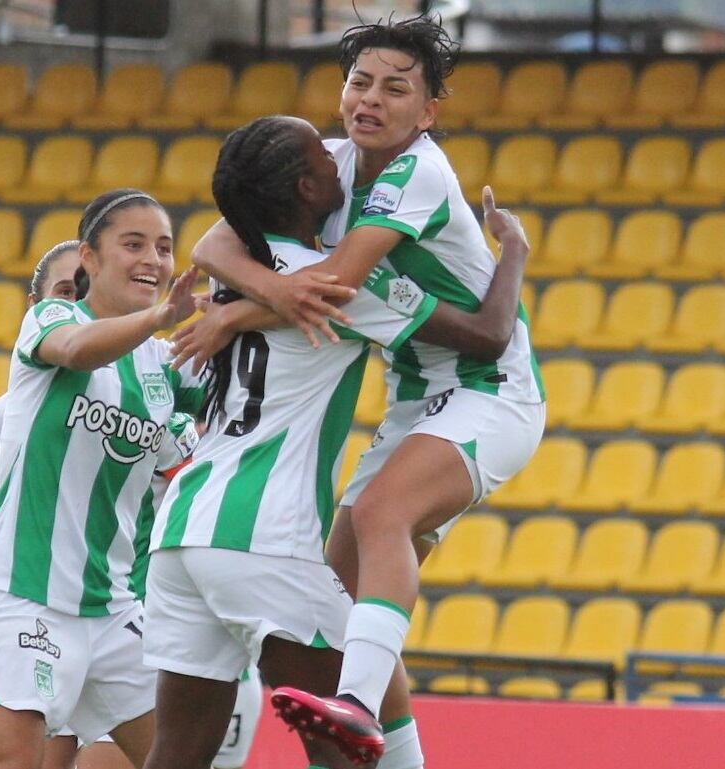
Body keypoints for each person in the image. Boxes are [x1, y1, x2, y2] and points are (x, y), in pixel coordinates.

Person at [191, 16, 544, 766]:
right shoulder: (330, 163)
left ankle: (353, 704)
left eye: (395, 87)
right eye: (358, 82)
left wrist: (236, 314)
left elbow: (337, 283)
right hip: (417, 395)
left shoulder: (417, 169)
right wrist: (260, 290)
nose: (369, 99)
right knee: (343, 584)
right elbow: (215, 239)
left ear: (427, 114)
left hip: (492, 388)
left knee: (383, 512)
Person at [0, 190, 202, 769]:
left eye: (165, 247)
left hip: (113, 609)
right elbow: (74, 351)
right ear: (89, 258)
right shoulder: (53, 318)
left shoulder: (165, 364)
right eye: (133, 243)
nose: (153, 258)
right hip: (22, 601)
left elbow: (247, 382)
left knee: (185, 758)